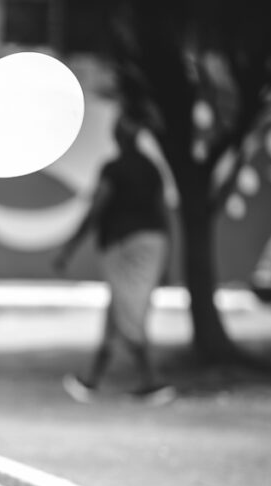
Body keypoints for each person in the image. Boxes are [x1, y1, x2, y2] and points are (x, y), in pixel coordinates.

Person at [53, 114, 178, 405]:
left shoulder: (114, 169)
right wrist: (166, 260)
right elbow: (163, 211)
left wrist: (69, 249)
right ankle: (92, 380)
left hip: (124, 245)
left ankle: (153, 383)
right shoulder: (151, 168)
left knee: (129, 311)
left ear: (118, 138)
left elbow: (97, 208)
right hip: (153, 243)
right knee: (120, 308)